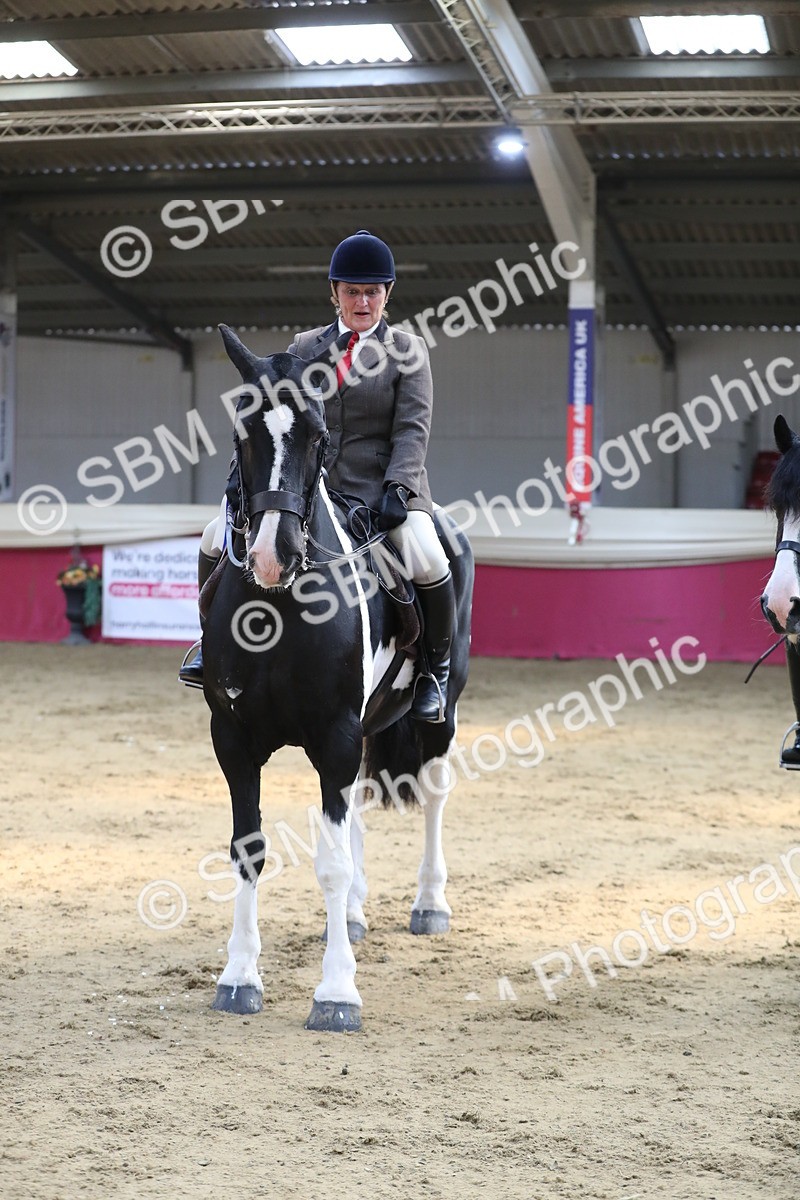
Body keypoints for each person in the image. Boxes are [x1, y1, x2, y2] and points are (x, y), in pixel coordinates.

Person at [180, 230, 455, 723]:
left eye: (372, 292)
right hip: (311, 492)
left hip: (385, 491)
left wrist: (400, 487)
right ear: (335, 293)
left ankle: (434, 670)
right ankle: (210, 643)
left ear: (387, 294)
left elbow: (414, 428)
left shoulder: (409, 351)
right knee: (213, 535)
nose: (362, 301)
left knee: (428, 556)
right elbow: (274, 420)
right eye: (352, 291)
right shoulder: (306, 346)